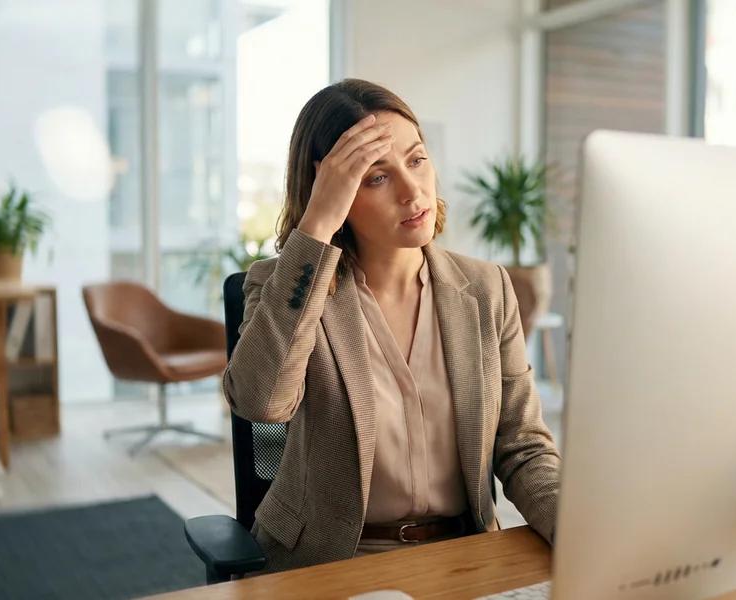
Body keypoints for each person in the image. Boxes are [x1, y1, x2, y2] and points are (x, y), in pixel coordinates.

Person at [223, 78, 561, 574]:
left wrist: (576, 528)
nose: (412, 190)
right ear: (330, 190)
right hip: (332, 564)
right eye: (376, 177)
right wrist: (316, 224)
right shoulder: (280, 286)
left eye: (417, 159)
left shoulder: (487, 289)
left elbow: (524, 447)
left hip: (463, 559)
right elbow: (261, 402)